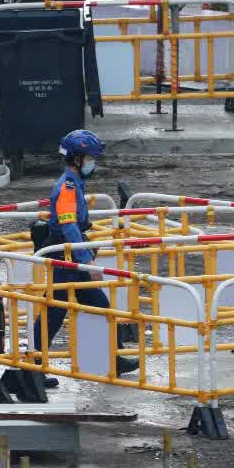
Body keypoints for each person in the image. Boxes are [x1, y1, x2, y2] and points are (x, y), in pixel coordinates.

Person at [29, 131, 141, 378]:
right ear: (77, 159)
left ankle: (111, 359)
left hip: (70, 252)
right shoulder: (67, 187)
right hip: (65, 255)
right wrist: (86, 260)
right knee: (54, 309)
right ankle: (33, 366)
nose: (93, 163)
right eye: (90, 158)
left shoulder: (75, 183)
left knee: (98, 305)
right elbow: (69, 226)